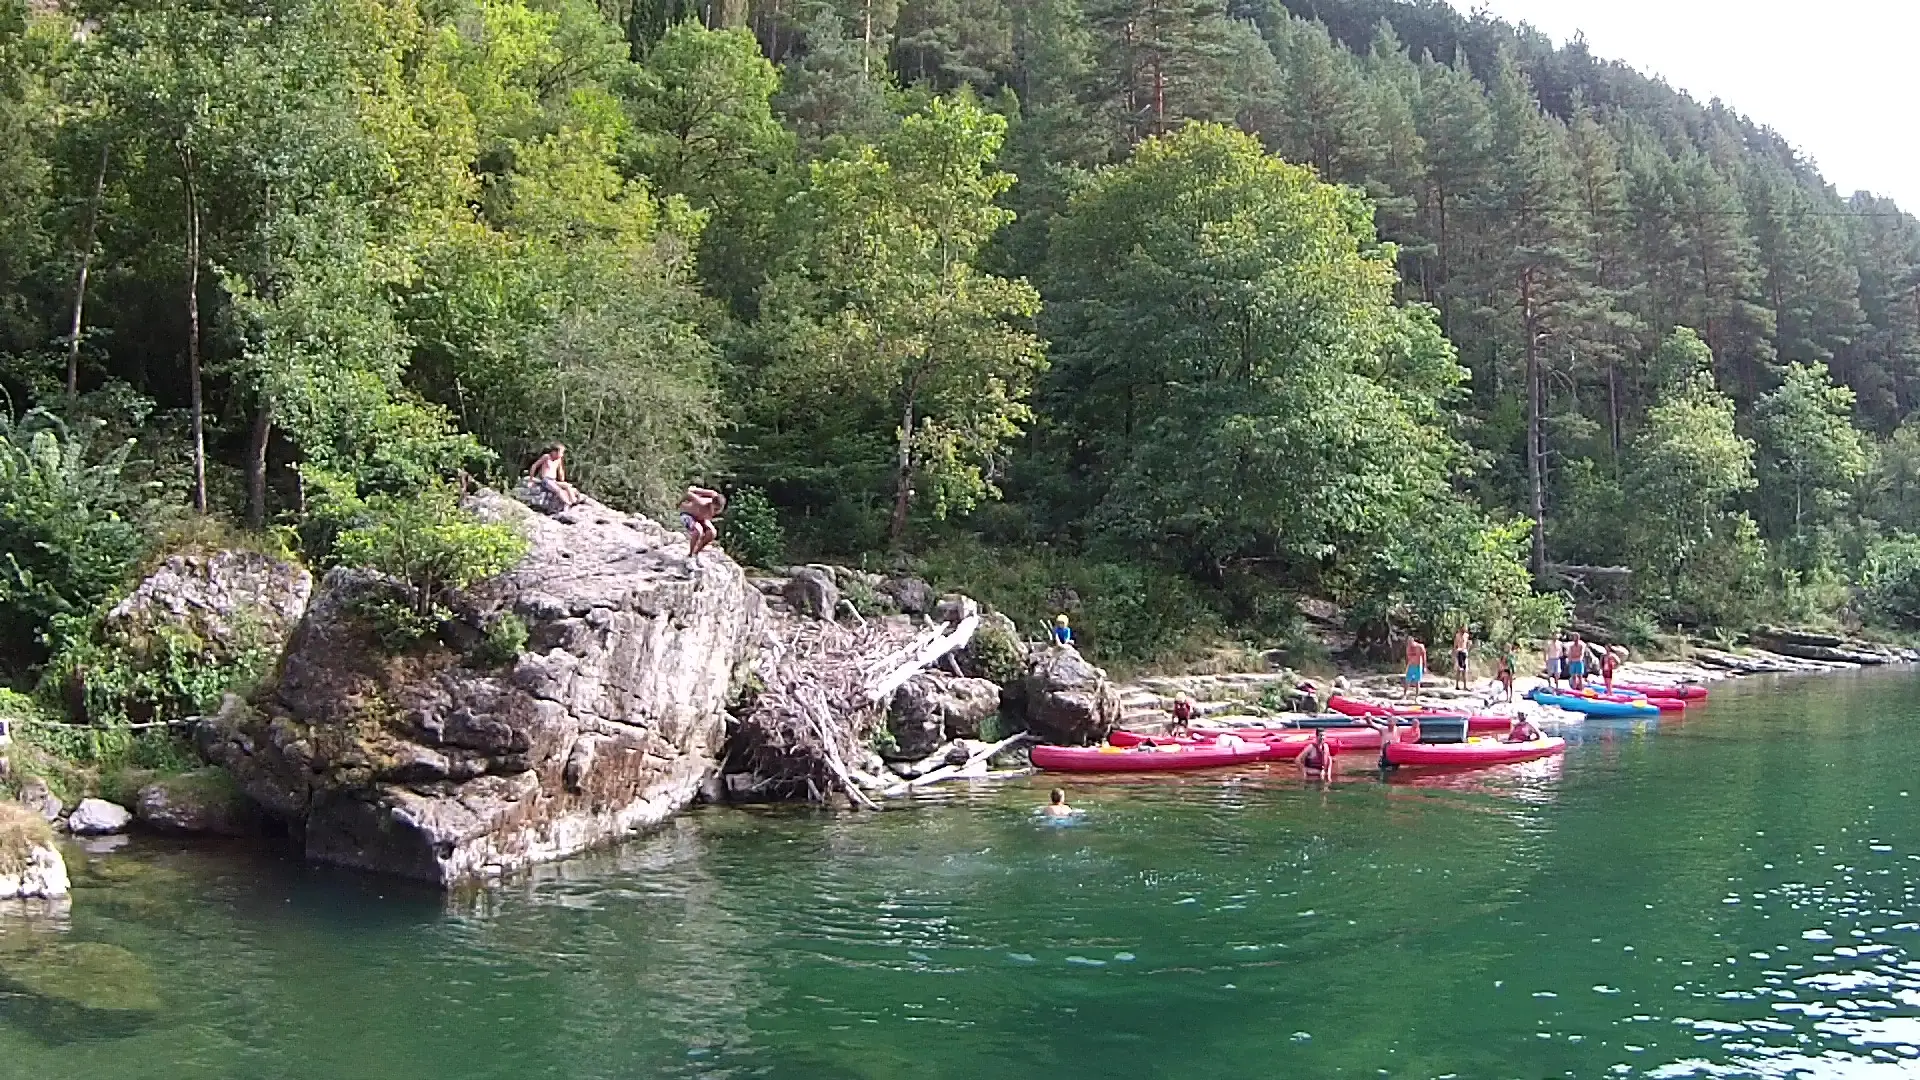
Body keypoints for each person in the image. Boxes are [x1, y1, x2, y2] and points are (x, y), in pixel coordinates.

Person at [528, 443, 581, 509]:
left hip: (554, 480)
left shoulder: (558, 460)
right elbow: (534, 465)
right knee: (558, 490)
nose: (562, 455)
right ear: (554, 452)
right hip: (546, 480)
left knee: (567, 486)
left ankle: (574, 501)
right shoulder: (546, 457)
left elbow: (560, 471)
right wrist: (531, 479)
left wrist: (562, 480)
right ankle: (568, 503)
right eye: (561, 452)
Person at [679, 485, 726, 559]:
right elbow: (688, 494)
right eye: (715, 509)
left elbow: (711, 493)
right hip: (688, 515)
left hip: (701, 518)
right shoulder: (701, 503)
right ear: (711, 504)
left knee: (712, 533)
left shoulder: (714, 495)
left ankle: (696, 552)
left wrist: (698, 490)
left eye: (719, 509)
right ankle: (690, 554)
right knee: (698, 531)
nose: (716, 511)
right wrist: (679, 503)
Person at [1402, 637, 1427, 702]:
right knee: (1407, 680)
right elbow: (1408, 658)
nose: (1410, 645)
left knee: (1417, 681)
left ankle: (1417, 696)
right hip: (1410, 665)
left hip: (1418, 665)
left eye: (1411, 643)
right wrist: (1406, 667)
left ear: (1413, 642)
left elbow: (1424, 656)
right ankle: (1404, 695)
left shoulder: (1419, 647)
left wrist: (1424, 666)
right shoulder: (1408, 648)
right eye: (1408, 643)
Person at [1452, 625, 1471, 691]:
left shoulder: (1466, 635)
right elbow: (1455, 645)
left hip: (1464, 652)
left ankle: (1465, 686)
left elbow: (1467, 643)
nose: (1465, 628)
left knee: (1465, 670)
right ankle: (1457, 685)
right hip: (1459, 652)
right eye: (1464, 627)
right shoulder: (1457, 635)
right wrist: (1455, 653)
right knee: (1459, 670)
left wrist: (1467, 649)